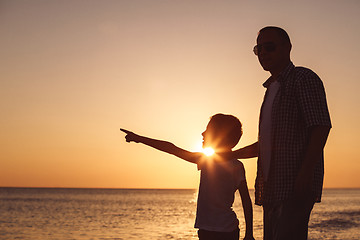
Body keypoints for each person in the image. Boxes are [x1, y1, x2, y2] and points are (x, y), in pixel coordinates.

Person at [229, 26, 332, 239]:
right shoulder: (271, 91)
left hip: (294, 186)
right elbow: (266, 145)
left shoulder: (302, 78)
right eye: (259, 49)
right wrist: (230, 154)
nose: (264, 53)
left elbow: (320, 127)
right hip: (271, 188)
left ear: (288, 48)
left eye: (270, 47)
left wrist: (304, 175)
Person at [121, 113, 255, 240]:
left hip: (224, 231)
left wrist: (249, 234)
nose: (203, 133)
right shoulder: (214, 161)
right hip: (210, 229)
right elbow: (170, 148)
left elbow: (246, 200)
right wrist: (139, 139)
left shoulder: (215, 162)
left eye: (207, 130)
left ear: (219, 135)